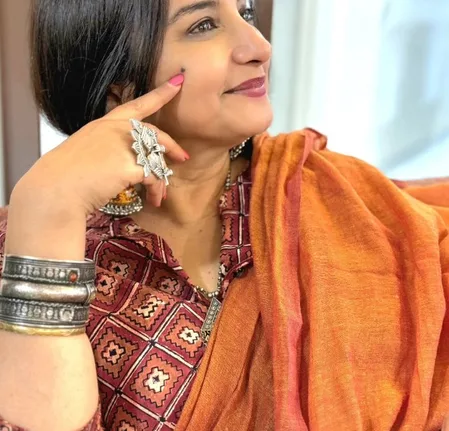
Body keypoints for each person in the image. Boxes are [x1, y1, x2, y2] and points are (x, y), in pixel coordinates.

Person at [0, 0, 448, 430]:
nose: (260, 47)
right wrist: (46, 215)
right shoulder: (28, 246)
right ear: (119, 87)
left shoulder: (327, 193)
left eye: (245, 12)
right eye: (203, 25)